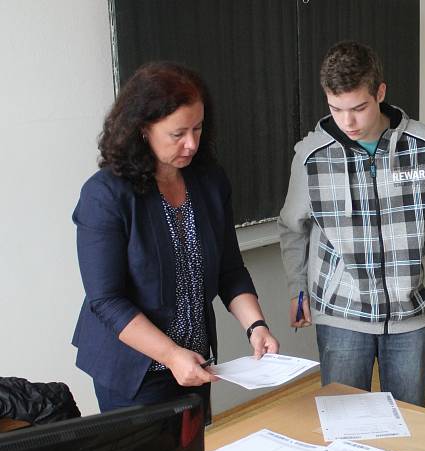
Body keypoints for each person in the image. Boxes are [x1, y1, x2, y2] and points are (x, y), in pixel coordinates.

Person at [73, 61, 279, 417]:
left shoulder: (209, 181)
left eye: (198, 129)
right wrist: (169, 355)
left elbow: (230, 270)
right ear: (142, 130)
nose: (192, 144)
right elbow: (106, 300)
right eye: (178, 133)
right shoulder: (105, 195)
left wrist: (255, 326)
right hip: (134, 370)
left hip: (194, 361)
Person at [278, 41, 425, 407]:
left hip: (411, 313)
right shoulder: (310, 156)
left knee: (410, 421)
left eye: (359, 108)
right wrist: (298, 290)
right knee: (345, 424)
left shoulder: (424, 145)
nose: (348, 122)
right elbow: (292, 228)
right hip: (341, 315)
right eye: (336, 108)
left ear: (380, 92)